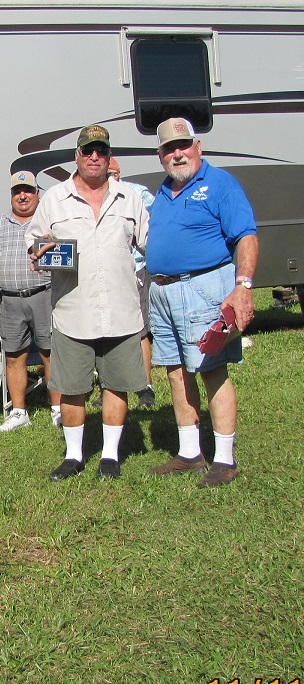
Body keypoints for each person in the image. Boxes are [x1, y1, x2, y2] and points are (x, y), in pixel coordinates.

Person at [25, 124, 149, 481]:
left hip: (121, 310)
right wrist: (39, 251)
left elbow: (150, 241)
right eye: (87, 150)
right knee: (72, 388)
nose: (95, 156)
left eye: (101, 150)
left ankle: (110, 456)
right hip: (73, 312)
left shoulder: (130, 198)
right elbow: (34, 241)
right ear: (76, 156)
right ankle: (74, 456)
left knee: (117, 384)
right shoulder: (54, 198)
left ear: (109, 157)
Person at [145, 117, 258, 487]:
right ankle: (190, 453)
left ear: (198, 147)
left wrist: (242, 286)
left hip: (203, 288)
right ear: (160, 155)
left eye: (183, 145)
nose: (177, 154)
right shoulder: (164, 192)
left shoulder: (219, 183)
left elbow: (246, 235)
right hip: (163, 291)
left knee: (211, 368)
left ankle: (225, 459)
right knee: (176, 371)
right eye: (168, 149)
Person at [0, 172, 62, 432]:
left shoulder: (50, 221)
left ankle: (57, 408)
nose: (22, 196)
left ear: (38, 194)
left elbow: (66, 253)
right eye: (17, 191)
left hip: (44, 295)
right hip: (10, 301)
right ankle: (19, 411)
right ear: (12, 195)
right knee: (14, 356)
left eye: (28, 191)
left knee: (50, 353)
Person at [108, 157, 157, 408]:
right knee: (109, 333)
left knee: (140, 330)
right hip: (105, 278)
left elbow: (157, 222)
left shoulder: (137, 194)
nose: (108, 177)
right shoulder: (94, 197)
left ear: (118, 173)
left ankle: (145, 387)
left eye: (111, 173)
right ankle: (111, 386)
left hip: (135, 271)